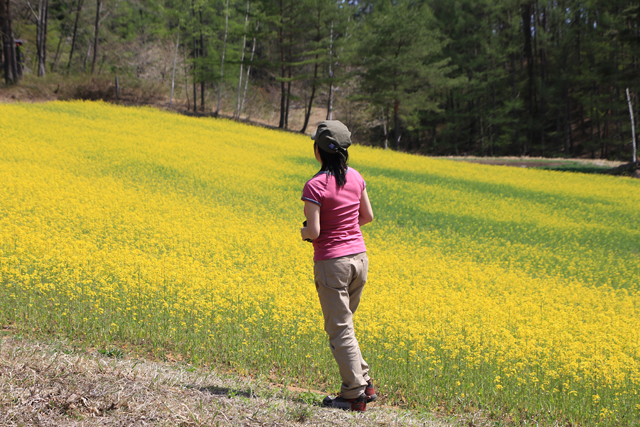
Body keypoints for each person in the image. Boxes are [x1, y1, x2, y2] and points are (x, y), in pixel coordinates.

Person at [300, 120, 377, 412]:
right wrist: (344, 229)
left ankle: (353, 394)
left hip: (333, 263)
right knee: (345, 325)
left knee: (339, 328)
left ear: (318, 150)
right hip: (359, 259)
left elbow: (315, 231)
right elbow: (367, 216)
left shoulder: (315, 185)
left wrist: (303, 231)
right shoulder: (356, 177)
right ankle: (365, 382)